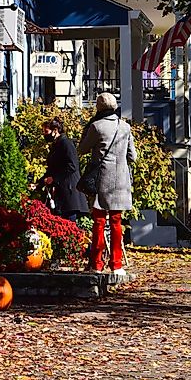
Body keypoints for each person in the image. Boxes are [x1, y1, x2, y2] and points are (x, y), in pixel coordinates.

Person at [78, 93, 136, 273]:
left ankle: (96, 264)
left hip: (102, 178)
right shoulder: (125, 127)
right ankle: (116, 264)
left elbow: (82, 149)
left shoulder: (96, 126)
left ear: (99, 108)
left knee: (99, 221)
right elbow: (133, 156)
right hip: (121, 180)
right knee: (117, 222)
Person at [40, 117, 88, 220]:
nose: (44, 134)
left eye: (46, 131)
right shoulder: (56, 145)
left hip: (70, 191)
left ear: (55, 130)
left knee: (69, 225)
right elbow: (52, 169)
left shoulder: (66, 143)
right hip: (63, 192)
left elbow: (72, 166)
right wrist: (38, 183)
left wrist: (54, 178)